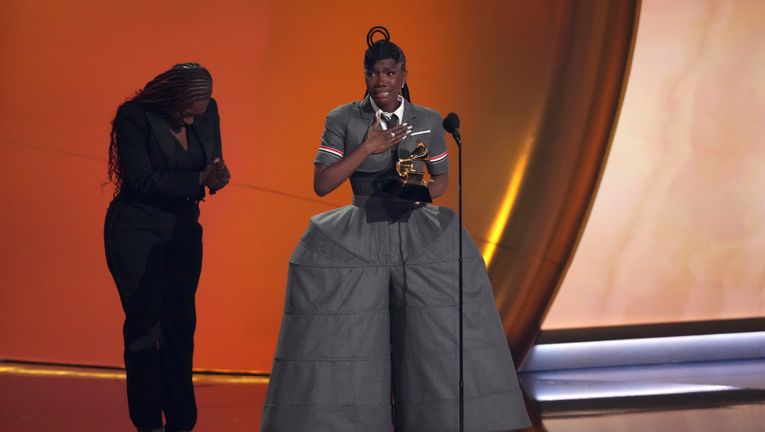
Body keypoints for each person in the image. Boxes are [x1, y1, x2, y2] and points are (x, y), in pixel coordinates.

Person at [261, 28, 531, 431]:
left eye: (389, 73)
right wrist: (366, 149)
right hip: (360, 231)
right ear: (365, 75)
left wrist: (420, 191)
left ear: (403, 74)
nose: (381, 81)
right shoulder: (344, 118)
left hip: (416, 232)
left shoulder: (428, 120)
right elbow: (323, 183)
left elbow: (440, 179)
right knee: (350, 338)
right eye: (373, 73)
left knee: (435, 337)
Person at [104, 63, 230, 432]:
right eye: (186, 112)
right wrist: (197, 178)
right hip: (136, 230)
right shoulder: (135, 117)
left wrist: (217, 178)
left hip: (182, 230)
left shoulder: (207, 112)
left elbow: (210, 165)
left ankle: (181, 422)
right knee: (146, 326)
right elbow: (141, 179)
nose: (191, 121)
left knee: (180, 325)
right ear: (170, 98)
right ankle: (148, 422)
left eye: (199, 112)